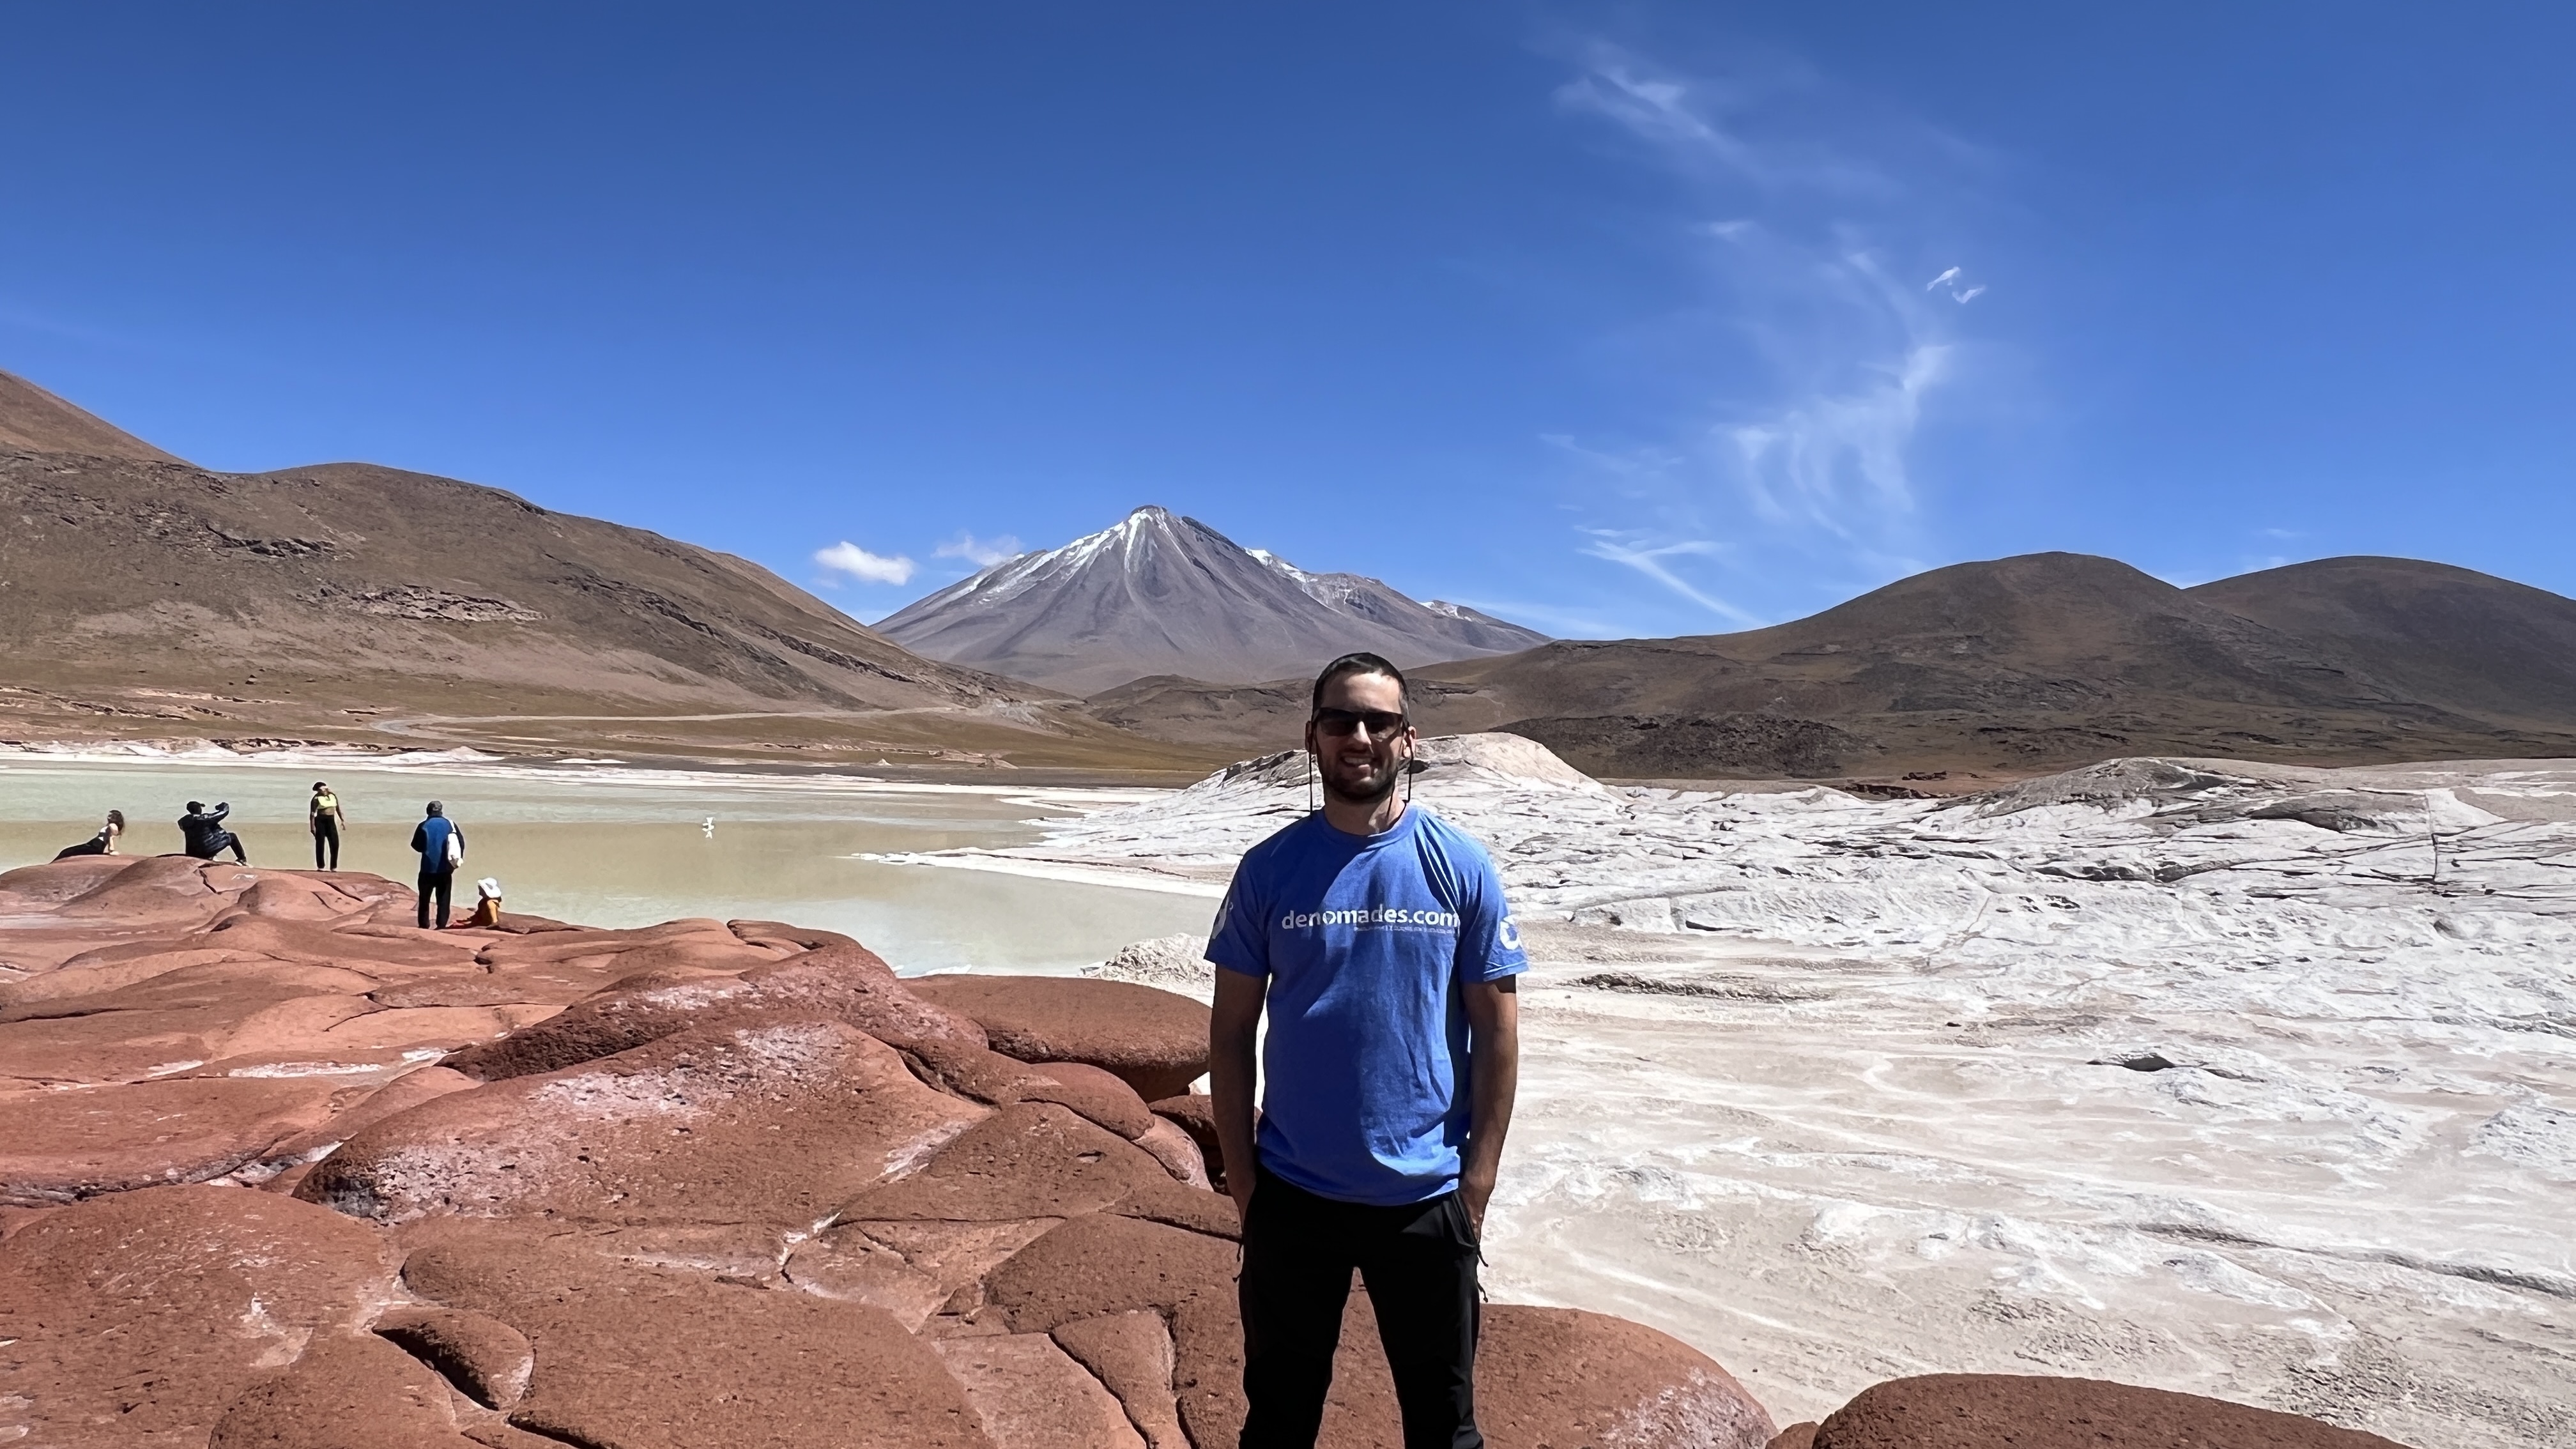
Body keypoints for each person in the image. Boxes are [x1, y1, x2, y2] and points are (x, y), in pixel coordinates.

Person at [1207, 652, 1524, 1449]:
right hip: (1293, 1194)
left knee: (1444, 1426)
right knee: (1278, 1418)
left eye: (1378, 722)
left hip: (1424, 1200)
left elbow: (1498, 1029)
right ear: (1311, 738)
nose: (1359, 737)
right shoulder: (1270, 868)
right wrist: (1246, 1183)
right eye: (1340, 720)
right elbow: (1231, 1032)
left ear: (1407, 740)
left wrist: (1476, 1184)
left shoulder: (1460, 864)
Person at [409, 801, 465, 929]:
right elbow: (460, 843)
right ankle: (441, 925)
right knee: (444, 900)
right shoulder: (450, 825)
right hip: (445, 869)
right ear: (441, 811)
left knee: (424, 899)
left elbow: (416, 846)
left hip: (427, 869)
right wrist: (455, 862)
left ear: (428, 811)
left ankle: (424, 925)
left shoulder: (423, 825)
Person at [178, 801, 249, 863]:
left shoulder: (182, 821)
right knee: (232, 836)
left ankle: (210, 855)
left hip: (192, 853)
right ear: (199, 809)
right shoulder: (205, 819)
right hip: (207, 851)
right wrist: (223, 805)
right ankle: (242, 859)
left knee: (211, 829)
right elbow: (224, 812)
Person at [52, 809, 126, 860]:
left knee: (67, 852)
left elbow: (111, 838)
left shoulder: (113, 826)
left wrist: (111, 851)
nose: (108, 817)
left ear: (115, 818)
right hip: (93, 845)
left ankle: (52, 864)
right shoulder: (111, 825)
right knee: (67, 851)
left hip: (95, 847)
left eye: (111, 816)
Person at [308, 781, 347, 871]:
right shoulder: (316, 799)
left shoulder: (333, 796)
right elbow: (312, 813)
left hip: (331, 820)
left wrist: (342, 820)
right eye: (319, 790)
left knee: (335, 843)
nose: (322, 791)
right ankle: (321, 866)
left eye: (323, 789)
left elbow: (338, 809)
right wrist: (312, 827)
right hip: (321, 820)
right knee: (320, 843)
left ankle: (334, 866)